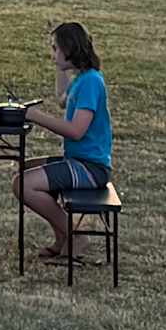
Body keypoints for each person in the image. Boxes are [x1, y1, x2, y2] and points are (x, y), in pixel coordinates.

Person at [15, 19, 111, 261]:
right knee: (27, 169)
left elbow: (76, 131)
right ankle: (62, 238)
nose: (52, 55)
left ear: (69, 49)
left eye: (55, 49)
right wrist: (60, 67)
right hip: (79, 161)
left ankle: (74, 234)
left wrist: (34, 116)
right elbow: (61, 99)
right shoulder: (82, 78)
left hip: (91, 167)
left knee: (23, 184)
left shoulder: (90, 82)